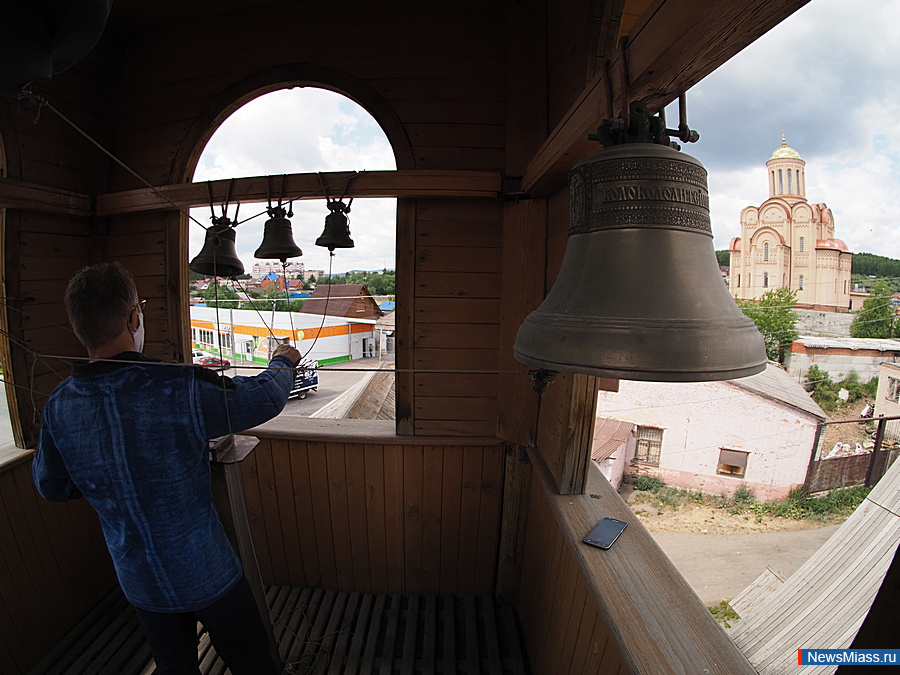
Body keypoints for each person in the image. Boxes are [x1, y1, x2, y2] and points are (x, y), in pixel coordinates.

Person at [32, 262, 300, 675]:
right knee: (253, 664)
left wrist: (107, 479)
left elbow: (51, 485)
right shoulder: (177, 386)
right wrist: (283, 361)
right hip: (208, 572)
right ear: (134, 318)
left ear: (77, 327)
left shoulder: (59, 406)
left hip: (140, 581)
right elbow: (262, 398)